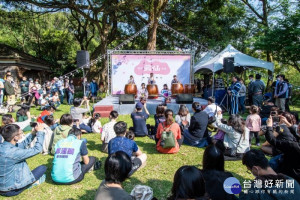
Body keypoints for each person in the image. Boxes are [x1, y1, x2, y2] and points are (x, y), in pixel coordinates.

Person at [0, 124, 47, 197]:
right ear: (15, 137)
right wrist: (40, 132)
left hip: (2, 187)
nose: (22, 133)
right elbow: (37, 149)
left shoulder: (4, 146)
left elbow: (22, 145)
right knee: (43, 168)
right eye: (21, 132)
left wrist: (33, 134)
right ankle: (31, 183)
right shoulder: (14, 152)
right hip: (11, 190)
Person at [264, 116, 300, 183]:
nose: (297, 127)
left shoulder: (293, 145)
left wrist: (269, 126)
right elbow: (297, 135)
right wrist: (287, 123)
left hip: (290, 175)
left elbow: (271, 140)